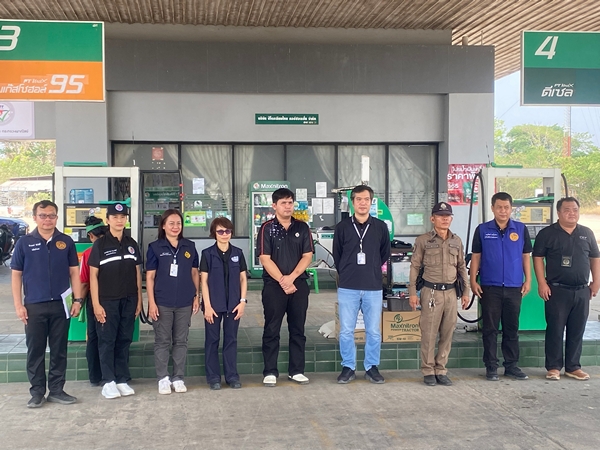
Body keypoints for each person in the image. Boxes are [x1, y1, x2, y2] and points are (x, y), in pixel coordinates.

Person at [11, 200, 83, 408]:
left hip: (61, 305)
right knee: (36, 350)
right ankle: (37, 392)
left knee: (59, 349)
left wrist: (78, 300)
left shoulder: (66, 242)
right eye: (43, 215)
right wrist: (18, 305)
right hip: (34, 306)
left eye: (51, 215)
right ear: (35, 218)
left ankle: (57, 390)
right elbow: (16, 276)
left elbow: (74, 272)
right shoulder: (24, 243)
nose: (47, 219)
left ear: (57, 218)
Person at [533, 197, 600, 381]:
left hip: (582, 290)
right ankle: (553, 367)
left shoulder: (586, 233)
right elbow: (537, 258)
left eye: (575, 210)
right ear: (559, 212)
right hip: (556, 290)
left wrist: (596, 281)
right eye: (567, 210)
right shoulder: (547, 234)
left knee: (577, 330)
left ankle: (573, 367)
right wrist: (541, 283)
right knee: (555, 329)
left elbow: (595, 257)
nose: (572, 213)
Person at [470, 192, 532, 381]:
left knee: (511, 329)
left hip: (514, 287)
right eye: (499, 207)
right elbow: (476, 257)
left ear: (511, 208)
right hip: (490, 287)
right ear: (492, 208)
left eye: (506, 207)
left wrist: (528, 280)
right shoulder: (482, 230)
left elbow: (525, 256)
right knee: (490, 329)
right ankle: (491, 367)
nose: (503, 211)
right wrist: (473, 280)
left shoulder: (520, 229)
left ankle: (511, 366)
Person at [332, 185, 391, 384]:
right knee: (346, 330)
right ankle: (348, 367)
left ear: (371, 202)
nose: (363, 203)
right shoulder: (342, 227)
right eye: (359, 199)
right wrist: (348, 271)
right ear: (353, 202)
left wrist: (371, 269)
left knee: (373, 331)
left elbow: (384, 253)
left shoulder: (380, 227)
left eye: (366, 199)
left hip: (373, 286)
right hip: (348, 286)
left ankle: (371, 367)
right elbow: (337, 255)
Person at [257, 188, 314, 387]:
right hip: (274, 286)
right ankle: (270, 371)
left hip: (298, 285)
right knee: (272, 329)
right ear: (274, 206)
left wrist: (292, 278)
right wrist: (283, 280)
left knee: (297, 329)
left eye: (290, 203)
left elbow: (307, 256)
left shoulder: (302, 227)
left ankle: (296, 371)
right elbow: (265, 258)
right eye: (283, 203)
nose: (288, 206)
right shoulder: (267, 228)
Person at [409, 201, 469, 386]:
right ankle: (428, 370)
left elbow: (461, 267)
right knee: (429, 333)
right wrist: (412, 292)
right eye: (440, 216)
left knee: (447, 332)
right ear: (432, 218)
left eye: (447, 216)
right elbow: (415, 266)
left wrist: (466, 291)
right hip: (431, 292)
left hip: (451, 293)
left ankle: (441, 369)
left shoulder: (456, 241)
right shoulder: (423, 240)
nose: (444, 219)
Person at [88, 202, 143, 399]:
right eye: (115, 217)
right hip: (107, 301)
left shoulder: (131, 243)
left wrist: (139, 300)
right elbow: (93, 276)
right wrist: (96, 304)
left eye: (122, 217)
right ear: (108, 220)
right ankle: (108, 381)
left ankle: (121, 379)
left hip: (129, 299)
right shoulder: (100, 245)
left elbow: (137, 273)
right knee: (107, 340)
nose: (119, 221)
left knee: (124, 339)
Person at [146, 209, 200, 394]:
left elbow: (194, 273)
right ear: (163, 226)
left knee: (181, 341)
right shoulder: (155, 247)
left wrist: (196, 296)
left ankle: (178, 378)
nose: (175, 227)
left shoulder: (189, 246)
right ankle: (163, 378)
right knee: (162, 341)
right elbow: (150, 277)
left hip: (185, 302)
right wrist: (151, 303)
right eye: (171, 223)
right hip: (162, 302)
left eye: (178, 223)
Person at [200, 217, 248, 390]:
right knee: (212, 340)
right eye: (220, 231)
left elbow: (243, 279)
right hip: (213, 306)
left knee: (231, 340)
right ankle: (213, 378)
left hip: (234, 305)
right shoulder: (207, 254)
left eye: (227, 231)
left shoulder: (238, 253)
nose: (224, 234)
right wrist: (207, 306)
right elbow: (203, 281)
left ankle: (232, 376)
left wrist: (242, 302)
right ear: (214, 233)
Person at [79, 215, 108, 387]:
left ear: (90, 236)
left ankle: (95, 377)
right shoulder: (116, 248)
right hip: (114, 298)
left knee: (93, 337)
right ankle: (110, 375)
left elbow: (84, 282)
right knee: (110, 337)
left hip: (94, 300)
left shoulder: (88, 253)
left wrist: (78, 302)